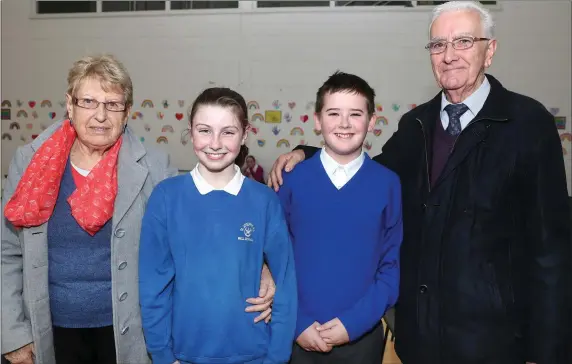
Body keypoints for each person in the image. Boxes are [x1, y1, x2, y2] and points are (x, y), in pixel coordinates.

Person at [268, 2, 571, 364]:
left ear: (489, 51)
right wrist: (309, 153)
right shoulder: (417, 124)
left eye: (463, 41)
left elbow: (551, 249)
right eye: (438, 44)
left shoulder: (528, 124)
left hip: (493, 337)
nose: (449, 55)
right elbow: (367, 173)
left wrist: (548, 351)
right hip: (421, 334)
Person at [1, 55, 276, 364]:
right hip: (46, 331)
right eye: (89, 102)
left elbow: (201, 226)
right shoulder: (31, 162)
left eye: (113, 104)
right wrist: (12, 333)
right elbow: (6, 251)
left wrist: (261, 264)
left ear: (128, 111)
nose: (100, 116)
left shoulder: (154, 167)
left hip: (130, 333)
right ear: (70, 105)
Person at [138, 87, 297, 364]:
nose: (215, 143)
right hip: (183, 356)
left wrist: (277, 358)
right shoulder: (166, 197)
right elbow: (153, 287)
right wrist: (163, 356)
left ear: (245, 134)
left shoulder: (265, 201)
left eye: (228, 132)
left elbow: (285, 284)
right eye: (204, 130)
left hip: (255, 355)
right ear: (190, 131)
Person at [277, 72, 402, 364]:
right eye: (334, 113)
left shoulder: (388, 184)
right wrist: (297, 320)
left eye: (355, 114)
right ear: (317, 120)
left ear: (371, 122)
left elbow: (390, 265)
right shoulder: (290, 179)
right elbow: (274, 260)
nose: (344, 124)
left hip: (360, 337)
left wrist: (354, 323)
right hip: (296, 333)